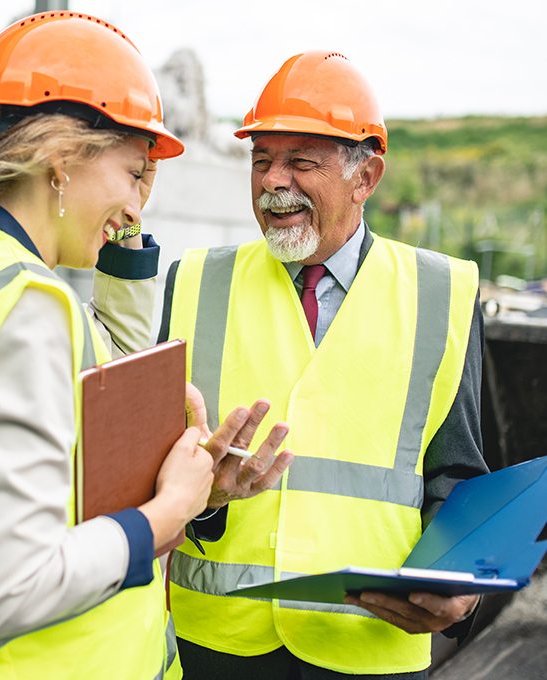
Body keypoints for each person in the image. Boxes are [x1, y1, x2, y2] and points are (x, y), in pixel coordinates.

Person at [0, 13, 291, 680]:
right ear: (61, 162)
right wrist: (169, 512)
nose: (140, 205)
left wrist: (197, 489)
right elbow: (13, 586)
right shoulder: (28, 306)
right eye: (133, 173)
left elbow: (92, 384)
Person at [156, 51, 490, 679]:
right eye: (260, 161)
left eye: (301, 162)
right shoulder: (193, 283)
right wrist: (205, 499)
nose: (272, 182)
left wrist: (460, 583)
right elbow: (154, 466)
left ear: (366, 178)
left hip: (372, 650)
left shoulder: (442, 294)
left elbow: (456, 472)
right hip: (219, 645)